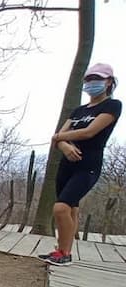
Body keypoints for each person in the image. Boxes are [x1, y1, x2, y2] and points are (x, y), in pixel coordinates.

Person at [38, 63, 122, 266]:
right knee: (71, 209)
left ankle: (64, 253)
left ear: (109, 82)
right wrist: (64, 145)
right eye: (89, 79)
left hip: (88, 164)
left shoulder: (112, 105)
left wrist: (59, 137)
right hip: (66, 165)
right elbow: (59, 136)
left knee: (60, 208)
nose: (92, 83)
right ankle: (62, 251)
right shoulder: (78, 110)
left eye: (97, 79)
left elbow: (89, 132)